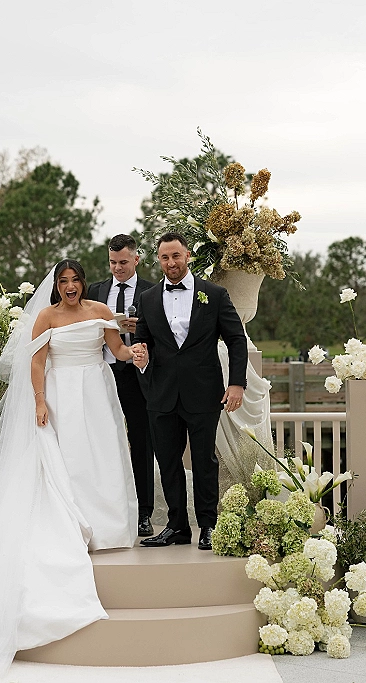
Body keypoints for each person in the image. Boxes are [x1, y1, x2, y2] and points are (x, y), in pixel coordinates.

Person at [0, 260, 145, 683]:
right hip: (60, 393)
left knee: (105, 459)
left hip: (96, 392)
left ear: (82, 283)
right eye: (64, 282)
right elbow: (36, 363)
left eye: (75, 280)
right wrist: (40, 400)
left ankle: (110, 528)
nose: (71, 287)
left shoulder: (100, 312)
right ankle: (73, 524)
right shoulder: (46, 316)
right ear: (56, 286)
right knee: (69, 461)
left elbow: (117, 351)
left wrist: (135, 352)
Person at [133, 232, 248, 551]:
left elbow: (236, 340)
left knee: (204, 461)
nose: (171, 263)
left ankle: (208, 526)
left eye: (176, 256)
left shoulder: (215, 294)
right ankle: (177, 527)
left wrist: (236, 383)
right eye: (165, 257)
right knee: (167, 461)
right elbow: (142, 341)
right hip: (161, 394)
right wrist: (140, 357)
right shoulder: (148, 298)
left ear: (188, 257)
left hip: (204, 392)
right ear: (159, 260)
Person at [88, 234, 156, 537]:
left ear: (136, 260)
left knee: (141, 443)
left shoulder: (152, 291)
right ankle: (106, 510)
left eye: (123, 262)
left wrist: (139, 326)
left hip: (137, 375)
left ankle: (143, 513)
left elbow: (162, 334)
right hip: (102, 373)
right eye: (113, 262)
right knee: (102, 441)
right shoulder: (95, 291)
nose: (117, 268)